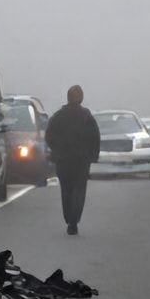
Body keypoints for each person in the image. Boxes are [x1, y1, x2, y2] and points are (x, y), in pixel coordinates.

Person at [43, 85, 100, 235]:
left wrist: (56, 150)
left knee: (66, 190)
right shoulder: (86, 116)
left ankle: (68, 217)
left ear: (67, 98)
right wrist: (93, 155)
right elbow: (95, 137)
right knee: (79, 190)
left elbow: (49, 136)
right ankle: (74, 221)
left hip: (63, 160)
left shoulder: (58, 116)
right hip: (81, 161)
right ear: (81, 98)